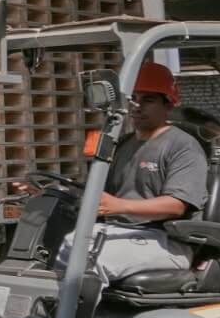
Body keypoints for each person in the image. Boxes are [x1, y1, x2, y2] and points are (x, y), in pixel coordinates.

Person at [79, 61, 213, 280]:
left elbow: (176, 205)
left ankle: (77, 303)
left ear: (169, 105)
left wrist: (118, 206)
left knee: (89, 263)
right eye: (133, 98)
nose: (137, 106)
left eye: (148, 100)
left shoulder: (183, 146)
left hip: (165, 240)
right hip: (118, 232)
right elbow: (100, 196)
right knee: (60, 247)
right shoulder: (123, 144)